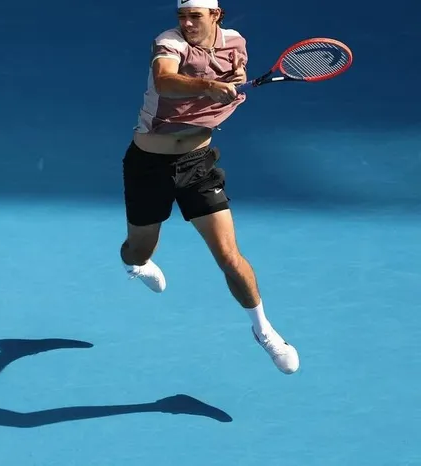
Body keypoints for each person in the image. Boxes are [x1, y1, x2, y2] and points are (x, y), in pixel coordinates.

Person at [120, 0, 300, 374]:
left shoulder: (235, 41)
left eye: (195, 16)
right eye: (182, 16)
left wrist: (230, 83)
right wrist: (207, 86)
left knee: (228, 255)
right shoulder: (169, 43)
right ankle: (135, 266)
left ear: (215, 15)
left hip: (197, 163)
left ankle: (264, 329)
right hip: (148, 165)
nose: (186, 23)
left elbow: (236, 71)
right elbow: (165, 81)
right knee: (139, 249)